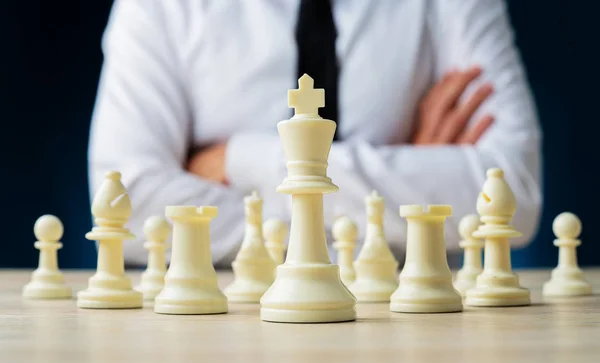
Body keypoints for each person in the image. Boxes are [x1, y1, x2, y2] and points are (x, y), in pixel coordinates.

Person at [89, 0, 542, 266]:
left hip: (406, 330)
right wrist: (404, 190)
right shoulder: (159, 7)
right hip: (216, 332)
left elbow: (513, 194)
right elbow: (127, 206)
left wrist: (238, 162)